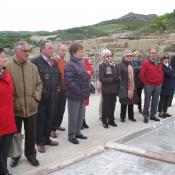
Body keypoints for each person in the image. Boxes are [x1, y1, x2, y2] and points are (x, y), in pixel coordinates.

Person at [6, 41, 42, 167]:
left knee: (31, 133)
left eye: (28, 51)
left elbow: (39, 84)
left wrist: (36, 98)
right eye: (25, 51)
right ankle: (15, 156)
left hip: (31, 107)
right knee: (15, 135)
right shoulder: (7, 67)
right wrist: (13, 102)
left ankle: (31, 154)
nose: (28, 53)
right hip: (16, 109)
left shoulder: (32, 67)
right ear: (17, 51)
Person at [32, 40, 61, 153]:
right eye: (49, 48)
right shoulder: (35, 62)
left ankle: (47, 138)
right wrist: (41, 93)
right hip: (41, 98)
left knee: (49, 118)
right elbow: (34, 80)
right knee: (40, 120)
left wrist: (57, 88)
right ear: (42, 49)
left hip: (53, 96)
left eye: (52, 48)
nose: (52, 50)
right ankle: (39, 142)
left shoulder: (54, 62)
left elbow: (58, 75)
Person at [64, 43, 90, 144]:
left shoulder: (81, 63)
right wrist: (80, 91)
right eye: (80, 51)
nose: (82, 53)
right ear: (74, 53)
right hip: (74, 95)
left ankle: (78, 132)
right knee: (73, 116)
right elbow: (69, 82)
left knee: (80, 115)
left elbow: (83, 78)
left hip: (81, 94)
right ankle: (71, 135)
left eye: (82, 51)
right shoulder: (69, 65)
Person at [0, 48, 16, 175]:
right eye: (3, 57)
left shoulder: (5, 73)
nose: (6, 59)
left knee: (5, 152)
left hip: (8, 120)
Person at [140, 48, 163, 123]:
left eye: (155, 53)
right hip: (149, 85)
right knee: (147, 101)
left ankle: (152, 115)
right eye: (152, 53)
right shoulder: (146, 63)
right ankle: (146, 116)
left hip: (158, 85)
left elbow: (161, 73)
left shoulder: (159, 62)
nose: (154, 54)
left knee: (155, 101)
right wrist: (145, 83)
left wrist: (161, 81)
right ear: (149, 54)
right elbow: (142, 75)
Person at [99, 49, 119, 128]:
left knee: (112, 105)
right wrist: (112, 80)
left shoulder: (114, 65)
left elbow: (117, 74)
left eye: (110, 56)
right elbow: (101, 78)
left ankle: (111, 120)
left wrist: (118, 79)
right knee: (106, 106)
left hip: (113, 89)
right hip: (106, 89)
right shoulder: (102, 66)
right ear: (104, 57)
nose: (110, 57)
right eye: (107, 56)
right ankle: (104, 121)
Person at [51, 44, 67, 138]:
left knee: (61, 109)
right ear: (58, 51)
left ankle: (57, 125)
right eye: (62, 50)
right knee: (55, 110)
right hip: (57, 89)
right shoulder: (54, 61)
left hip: (64, 89)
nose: (64, 52)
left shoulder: (65, 61)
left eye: (65, 51)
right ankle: (52, 129)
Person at [118, 50, 137, 123]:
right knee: (124, 103)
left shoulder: (131, 64)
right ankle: (122, 117)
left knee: (131, 102)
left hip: (131, 86)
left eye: (131, 56)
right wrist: (122, 85)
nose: (129, 57)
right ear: (124, 56)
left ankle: (131, 116)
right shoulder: (121, 65)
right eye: (127, 56)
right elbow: (118, 75)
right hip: (124, 87)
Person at [158, 53, 175, 118]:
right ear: (162, 59)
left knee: (167, 99)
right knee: (162, 99)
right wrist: (172, 74)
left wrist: (172, 73)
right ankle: (160, 112)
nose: (166, 59)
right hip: (164, 85)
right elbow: (167, 73)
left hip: (170, 84)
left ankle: (165, 111)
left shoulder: (169, 65)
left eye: (167, 58)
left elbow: (172, 72)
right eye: (165, 58)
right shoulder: (161, 66)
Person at [82, 57, 94, 129]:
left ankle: (83, 121)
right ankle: (79, 122)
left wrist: (89, 72)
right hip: (80, 86)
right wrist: (86, 72)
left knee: (83, 106)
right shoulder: (74, 61)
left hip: (86, 86)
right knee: (80, 106)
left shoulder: (85, 60)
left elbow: (91, 70)